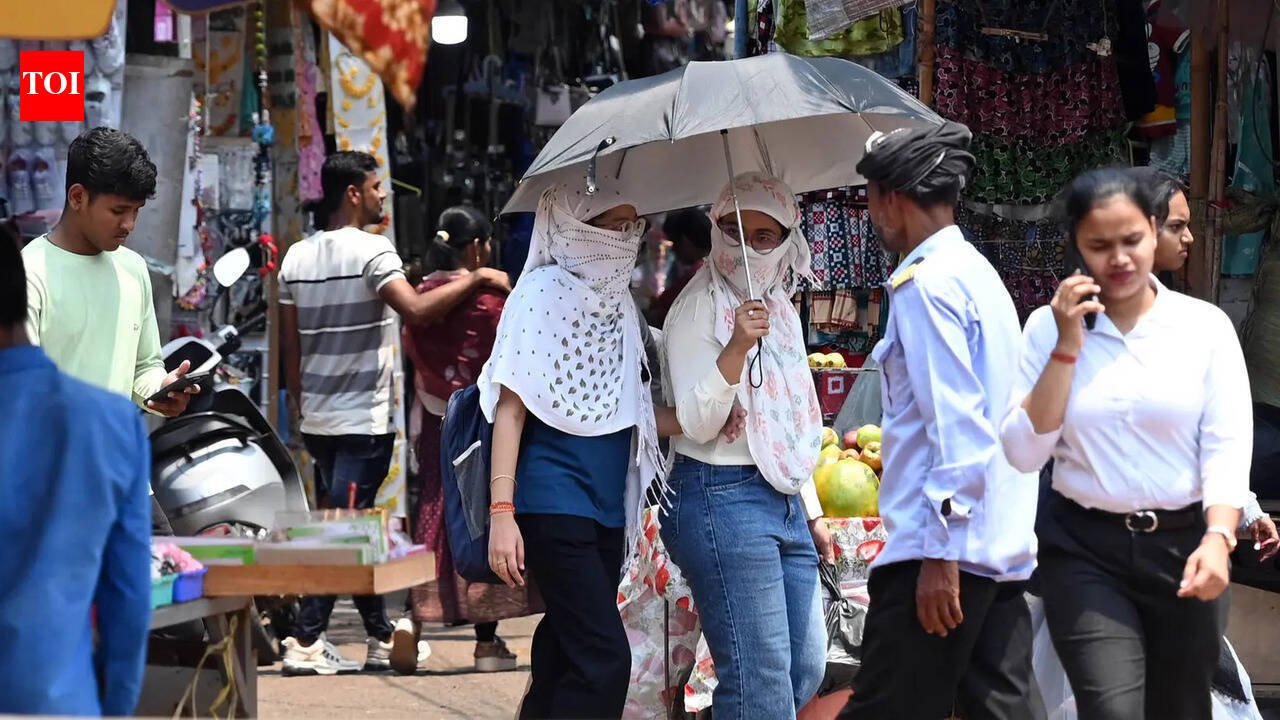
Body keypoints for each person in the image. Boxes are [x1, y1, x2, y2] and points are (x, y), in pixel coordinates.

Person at [1002, 168, 1251, 719]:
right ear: (1077, 245)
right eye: (1099, 245)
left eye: (1132, 240)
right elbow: (1023, 453)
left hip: (1185, 548)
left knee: (1179, 708)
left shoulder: (1204, 328)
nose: (1118, 258)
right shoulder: (1046, 328)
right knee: (1111, 708)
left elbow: (1227, 443)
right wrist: (1066, 347)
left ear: (1153, 231)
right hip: (1085, 550)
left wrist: (1219, 537)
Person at [278, 151, 510, 675]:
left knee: (351, 522)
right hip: (362, 416)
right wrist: (478, 277)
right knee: (345, 527)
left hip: (319, 418)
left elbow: (290, 346)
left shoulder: (296, 257)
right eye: (376, 186)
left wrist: (300, 404)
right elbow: (417, 310)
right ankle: (307, 638)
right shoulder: (373, 251)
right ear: (353, 194)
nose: (383, 195)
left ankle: (381, 636)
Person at [840, 122, 1043, 720]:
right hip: (993, 547)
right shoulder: (976, 272)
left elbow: (957, 425)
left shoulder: (926, 283)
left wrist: (940, 552)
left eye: (871, 198)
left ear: (892, 198)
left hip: (942, 553)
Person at [480, 182, 693, 718]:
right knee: (604, 661)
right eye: (610, 226)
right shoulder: (539, 294)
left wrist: (716, 410)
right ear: (575, 226)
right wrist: (501, 513)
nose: (622, 239)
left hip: (606, 510)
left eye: (630, 227)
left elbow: (631, 411)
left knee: (563, 652)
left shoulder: (621, 307)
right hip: (551, 503)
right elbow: (511, 408)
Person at [660, 171, 829, 719]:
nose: (748, 248)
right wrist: (734, 348)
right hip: (719, 495)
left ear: (785, 240)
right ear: (714, 230)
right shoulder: (697, 308)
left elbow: (794, 418)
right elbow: (696, 423)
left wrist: (811, 509)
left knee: (805, 669)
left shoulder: (781, 310)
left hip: (783, 497)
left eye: (764, 236)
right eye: (735, 232)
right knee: (760, 684)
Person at [0, 232, 151, 715]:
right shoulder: (112, 422)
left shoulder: (130, 273)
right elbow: (127, 597)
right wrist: (114, 705)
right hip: (60, 698)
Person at [22, 127, 197, 536]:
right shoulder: (29, 275)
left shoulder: (132, 269)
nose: (129, 224)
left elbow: (144, 366)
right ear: (77, 197)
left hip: (128, 482)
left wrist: (162, 391)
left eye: (136, 211)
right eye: (118, 211)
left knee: (167, 574)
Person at [396, 205, 535, 675]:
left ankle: (411, 618)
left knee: (432, 515)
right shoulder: (489, 302)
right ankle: (486, 643)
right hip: (480, 424)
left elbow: (415, 344)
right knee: (479, 519)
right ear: (476, 248)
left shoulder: (422, 294)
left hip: (433, 420)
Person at [648, 207, 712, 326]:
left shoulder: (697, 275)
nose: (673, 250)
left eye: (674, 242)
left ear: (685, 241)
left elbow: (661, 314)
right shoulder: (706, 269)